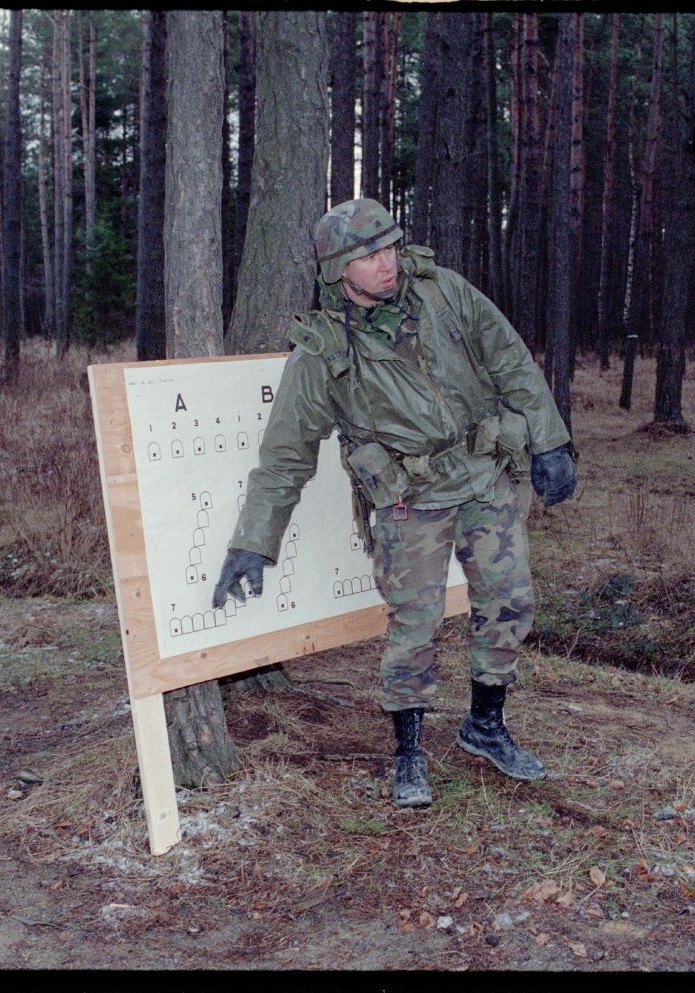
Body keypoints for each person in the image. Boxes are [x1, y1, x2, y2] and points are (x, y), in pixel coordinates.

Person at [211, 198, 576, 808]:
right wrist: (253, 541)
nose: (387, 263)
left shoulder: (445, 293)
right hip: (413, 499)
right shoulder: (323, 352)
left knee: (509, 600)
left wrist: (552, 441)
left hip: (485, 476)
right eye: (369, 255)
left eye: (390, 247)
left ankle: (485, 726)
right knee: (415, 625)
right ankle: (408, 751)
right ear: (338, 272)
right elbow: (285, 458)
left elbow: (511, 361)